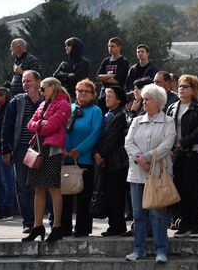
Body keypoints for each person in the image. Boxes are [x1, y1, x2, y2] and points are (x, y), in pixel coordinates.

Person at [124, 84, 175, 263]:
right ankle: (139, 249)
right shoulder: (137, 121)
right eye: (143, 99)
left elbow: (167, 145)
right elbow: (128, 142)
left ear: (158, 102)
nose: (143, 102)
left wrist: (146, 158)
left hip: (158, 174)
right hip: (137, 173)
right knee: (138, 214)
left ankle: (161, 250)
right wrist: (140, 159)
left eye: (147, 99)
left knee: (158, 214)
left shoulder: (168, 121)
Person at [23, 77, 72, 243]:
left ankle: (57, 226)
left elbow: (50, 126)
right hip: (38, 147)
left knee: (53, 188)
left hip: (52, 149)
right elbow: (30, 124)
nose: (41, 92)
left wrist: (40, 124)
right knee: (38, 188)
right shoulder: (44, 104)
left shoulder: (63, 104)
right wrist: (40, 123)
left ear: (53, 86)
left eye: (43, 89)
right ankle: (38, 226)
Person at [1, 70, 44, 233]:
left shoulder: (46, 99)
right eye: (24, 81)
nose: (25, 84)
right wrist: (6, 149)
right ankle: (29, 222)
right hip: (22, 150)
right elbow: (7, 126)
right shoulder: (17, 101)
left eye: (29, 81)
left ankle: (43, 221)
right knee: (22, 186)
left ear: (38, 82)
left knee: (44, 185)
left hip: (43, 148)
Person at [167, 75, 198, 238]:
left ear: (194, 89)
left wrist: (185, 142)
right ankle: (184, 224)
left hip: (192, 153)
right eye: (180, 86)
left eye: (186, 86)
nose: (181, 89)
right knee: (179, 190)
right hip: (176, 155)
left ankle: (195, 224)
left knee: (190, 189)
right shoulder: (172, 107)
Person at [62, 79, 102, 237]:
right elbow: (63, 130)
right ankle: (64, 227)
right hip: (67, 158)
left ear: (93, 94)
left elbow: (95, 134)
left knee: (84, 197)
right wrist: (65, 149)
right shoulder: (70, 108)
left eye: (86, 91)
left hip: (85, 159)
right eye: (80, 90)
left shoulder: (96, 111)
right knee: (66, 195)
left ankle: (82, 228)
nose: (83, 93)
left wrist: (78, 150)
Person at [95, 85, 129, 236]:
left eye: (110, 96)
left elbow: (113, 139)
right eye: (106, 96)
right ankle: (113, 225)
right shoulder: (108, 114)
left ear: (119, 100)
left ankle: (118, 226)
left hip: (116, 161)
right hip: (107, 161)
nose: (107, 98)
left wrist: (101, 155)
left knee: (116, 196)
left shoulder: (121, 115)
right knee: (109, 194)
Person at [0, 88, 15, 221]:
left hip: (3, 150)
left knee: (7, 180)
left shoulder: (8, 109)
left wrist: (8, 149)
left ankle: (7, 208)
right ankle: (0, 207)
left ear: (3, 96)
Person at [95, 37, 130, 114]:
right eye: (109, 46)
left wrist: (104, 78)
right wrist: (110, 76)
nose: (110, 48)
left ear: (119, 47)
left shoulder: (123, 62)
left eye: (113, 46)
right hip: (103, 95)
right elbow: (98, 77)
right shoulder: (106, 61)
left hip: (116, 96)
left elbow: (117, 80)